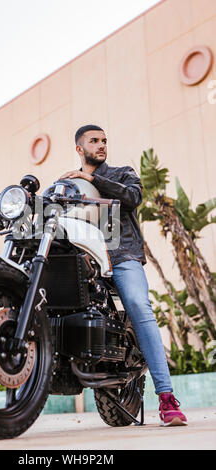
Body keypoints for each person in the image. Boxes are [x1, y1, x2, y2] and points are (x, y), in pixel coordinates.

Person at [59, 124, 187, 427]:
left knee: (140, 308)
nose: (102, 145)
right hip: (84, 256)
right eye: (94, 141)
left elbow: (132, 198)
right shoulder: (70, 182)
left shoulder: (121, 173)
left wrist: (92, 179)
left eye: (104, 140)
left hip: (121, 254)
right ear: (80, 148)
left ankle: (167, 398)